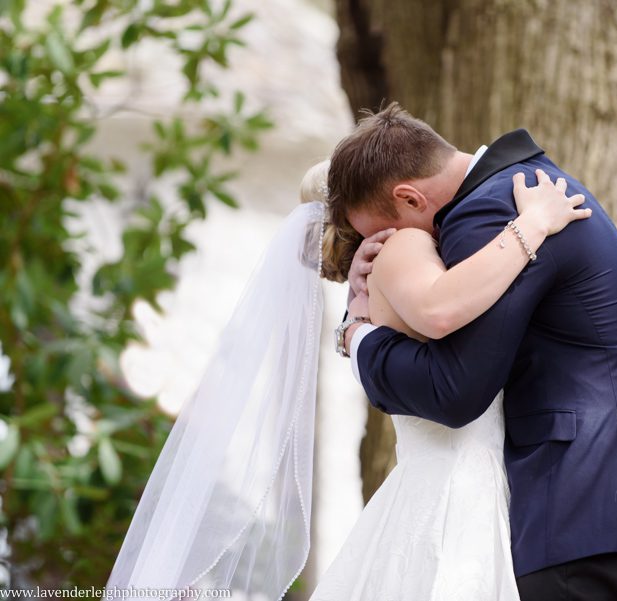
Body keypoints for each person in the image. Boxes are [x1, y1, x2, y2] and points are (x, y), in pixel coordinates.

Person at [104, 147, 587, 600]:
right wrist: (532, 224)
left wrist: (350, 328)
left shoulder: (370, 288)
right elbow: (443, 310)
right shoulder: (407, 254)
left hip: (435, 480)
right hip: (463, 489)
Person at [332, 102, 617, 601]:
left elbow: (452, 390)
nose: (386, 251)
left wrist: (358, 334)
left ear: (408, 198)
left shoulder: (488, 211)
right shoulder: (524, 185)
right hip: (613, 504)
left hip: (577, 510)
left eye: (382, 235)